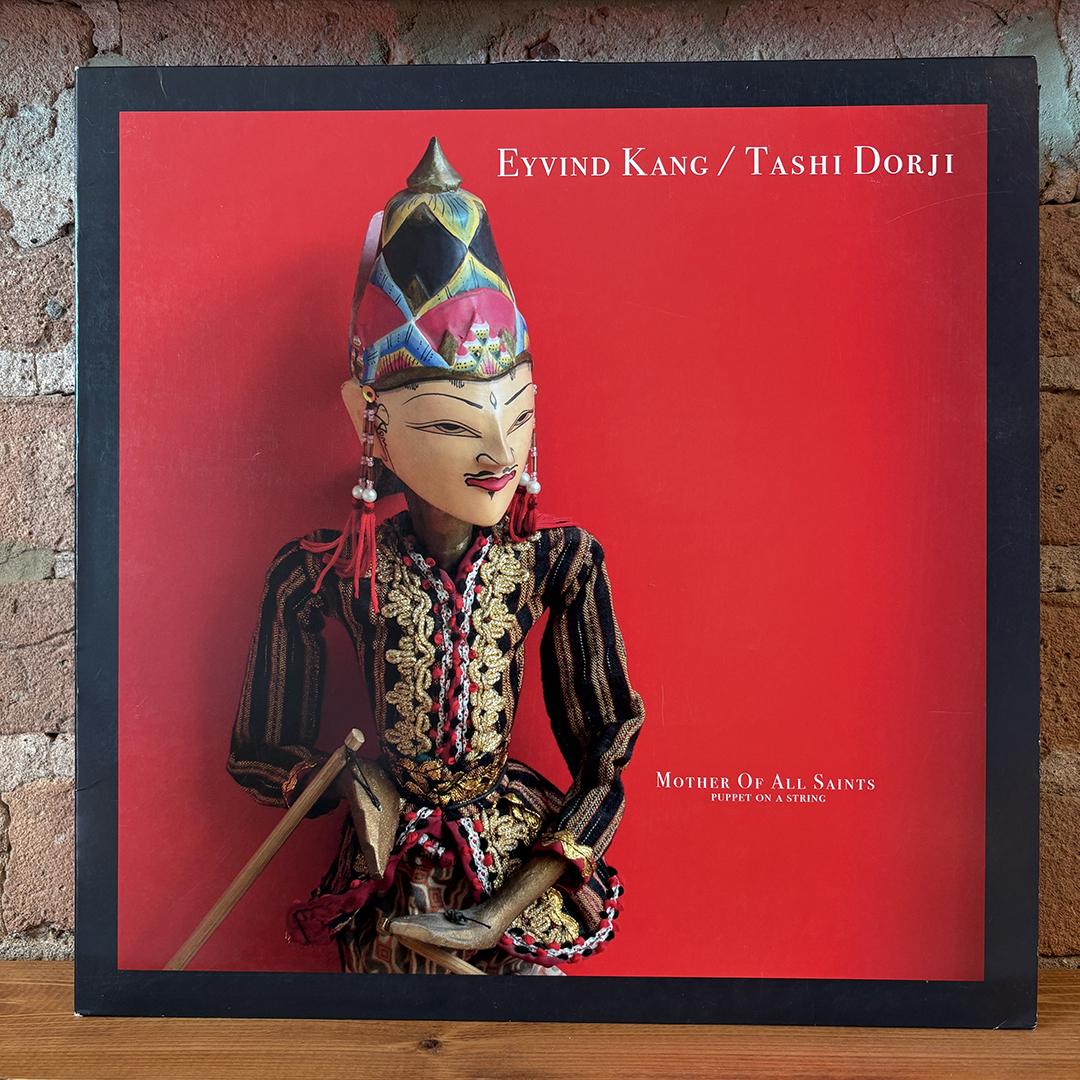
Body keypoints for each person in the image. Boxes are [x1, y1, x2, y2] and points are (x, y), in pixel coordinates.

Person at [228, 138, 644, 974]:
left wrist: (496, 914)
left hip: (511, 859)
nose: (500, 454)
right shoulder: (325, 572)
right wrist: (352, 781)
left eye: (518, 414)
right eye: (453, 423)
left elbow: (606, 756)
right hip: (391, 866)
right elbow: (260, 749)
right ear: (370, 420)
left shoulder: (557, 561)